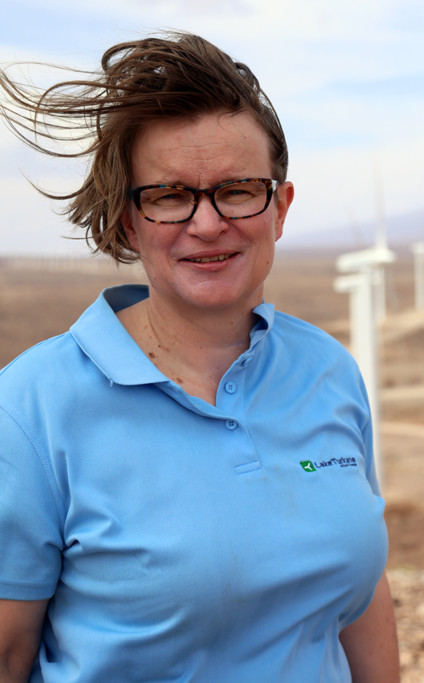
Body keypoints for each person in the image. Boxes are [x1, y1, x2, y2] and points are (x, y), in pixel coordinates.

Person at [0, 32, 399, 682]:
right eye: (170, 195)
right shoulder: (28, 411)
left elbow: (357, 586)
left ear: (280, 207)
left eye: (238, 189)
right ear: (128, 221)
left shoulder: (329, 372)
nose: (208, 223)